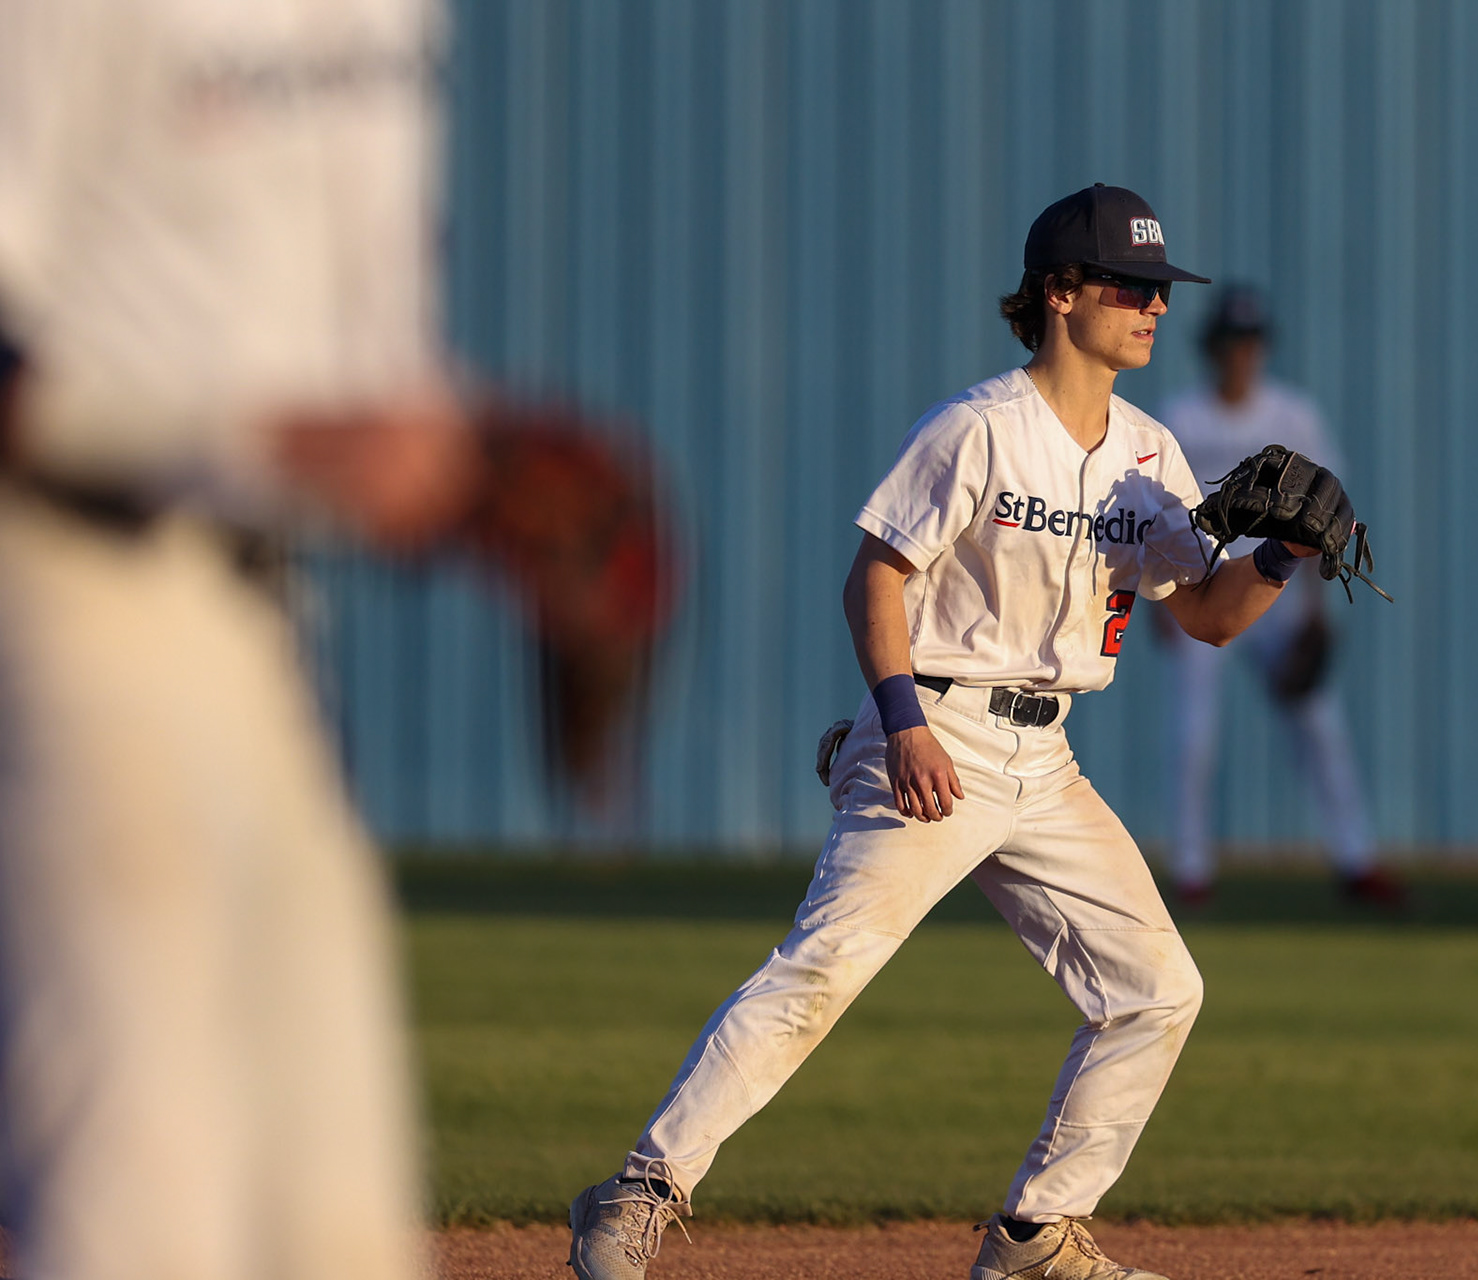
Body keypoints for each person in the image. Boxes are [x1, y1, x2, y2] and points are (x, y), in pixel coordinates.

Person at [567, 185, 1348, 1280]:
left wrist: (1279, 559)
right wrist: (900, 725)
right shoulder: (979, 428)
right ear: (1060, 293)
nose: (1155, 306)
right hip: (932, 732)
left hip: (1048, 756)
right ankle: (638, 1189)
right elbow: (874, 577)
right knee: (823, 968)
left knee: (1158, 988)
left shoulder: (1151, 453)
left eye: (1161, 290)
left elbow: (1208, 619)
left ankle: (1035, 1235)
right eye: (1131, 284)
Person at [0, 3, 472, 1277]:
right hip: (60, 585)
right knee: (143, 1206)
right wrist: (266, 439)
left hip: (254, 614)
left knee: (337, 1223)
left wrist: (461, 475)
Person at [1157, 285, 1403, 909]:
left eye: (1250, 341)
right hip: (1200, 581)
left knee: (1320, 727)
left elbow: (1327, 515)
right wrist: (1161, 601)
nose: (1241, 353)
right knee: (1195, 735)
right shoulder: (1182, 417)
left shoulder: (1293, 415)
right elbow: (1161, 514)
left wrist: (1316, 614)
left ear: (1262, 347)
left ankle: (1357, 861)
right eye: (1231, 341)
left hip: (1280, 594)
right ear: (1211, 348)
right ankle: (1191, 870)